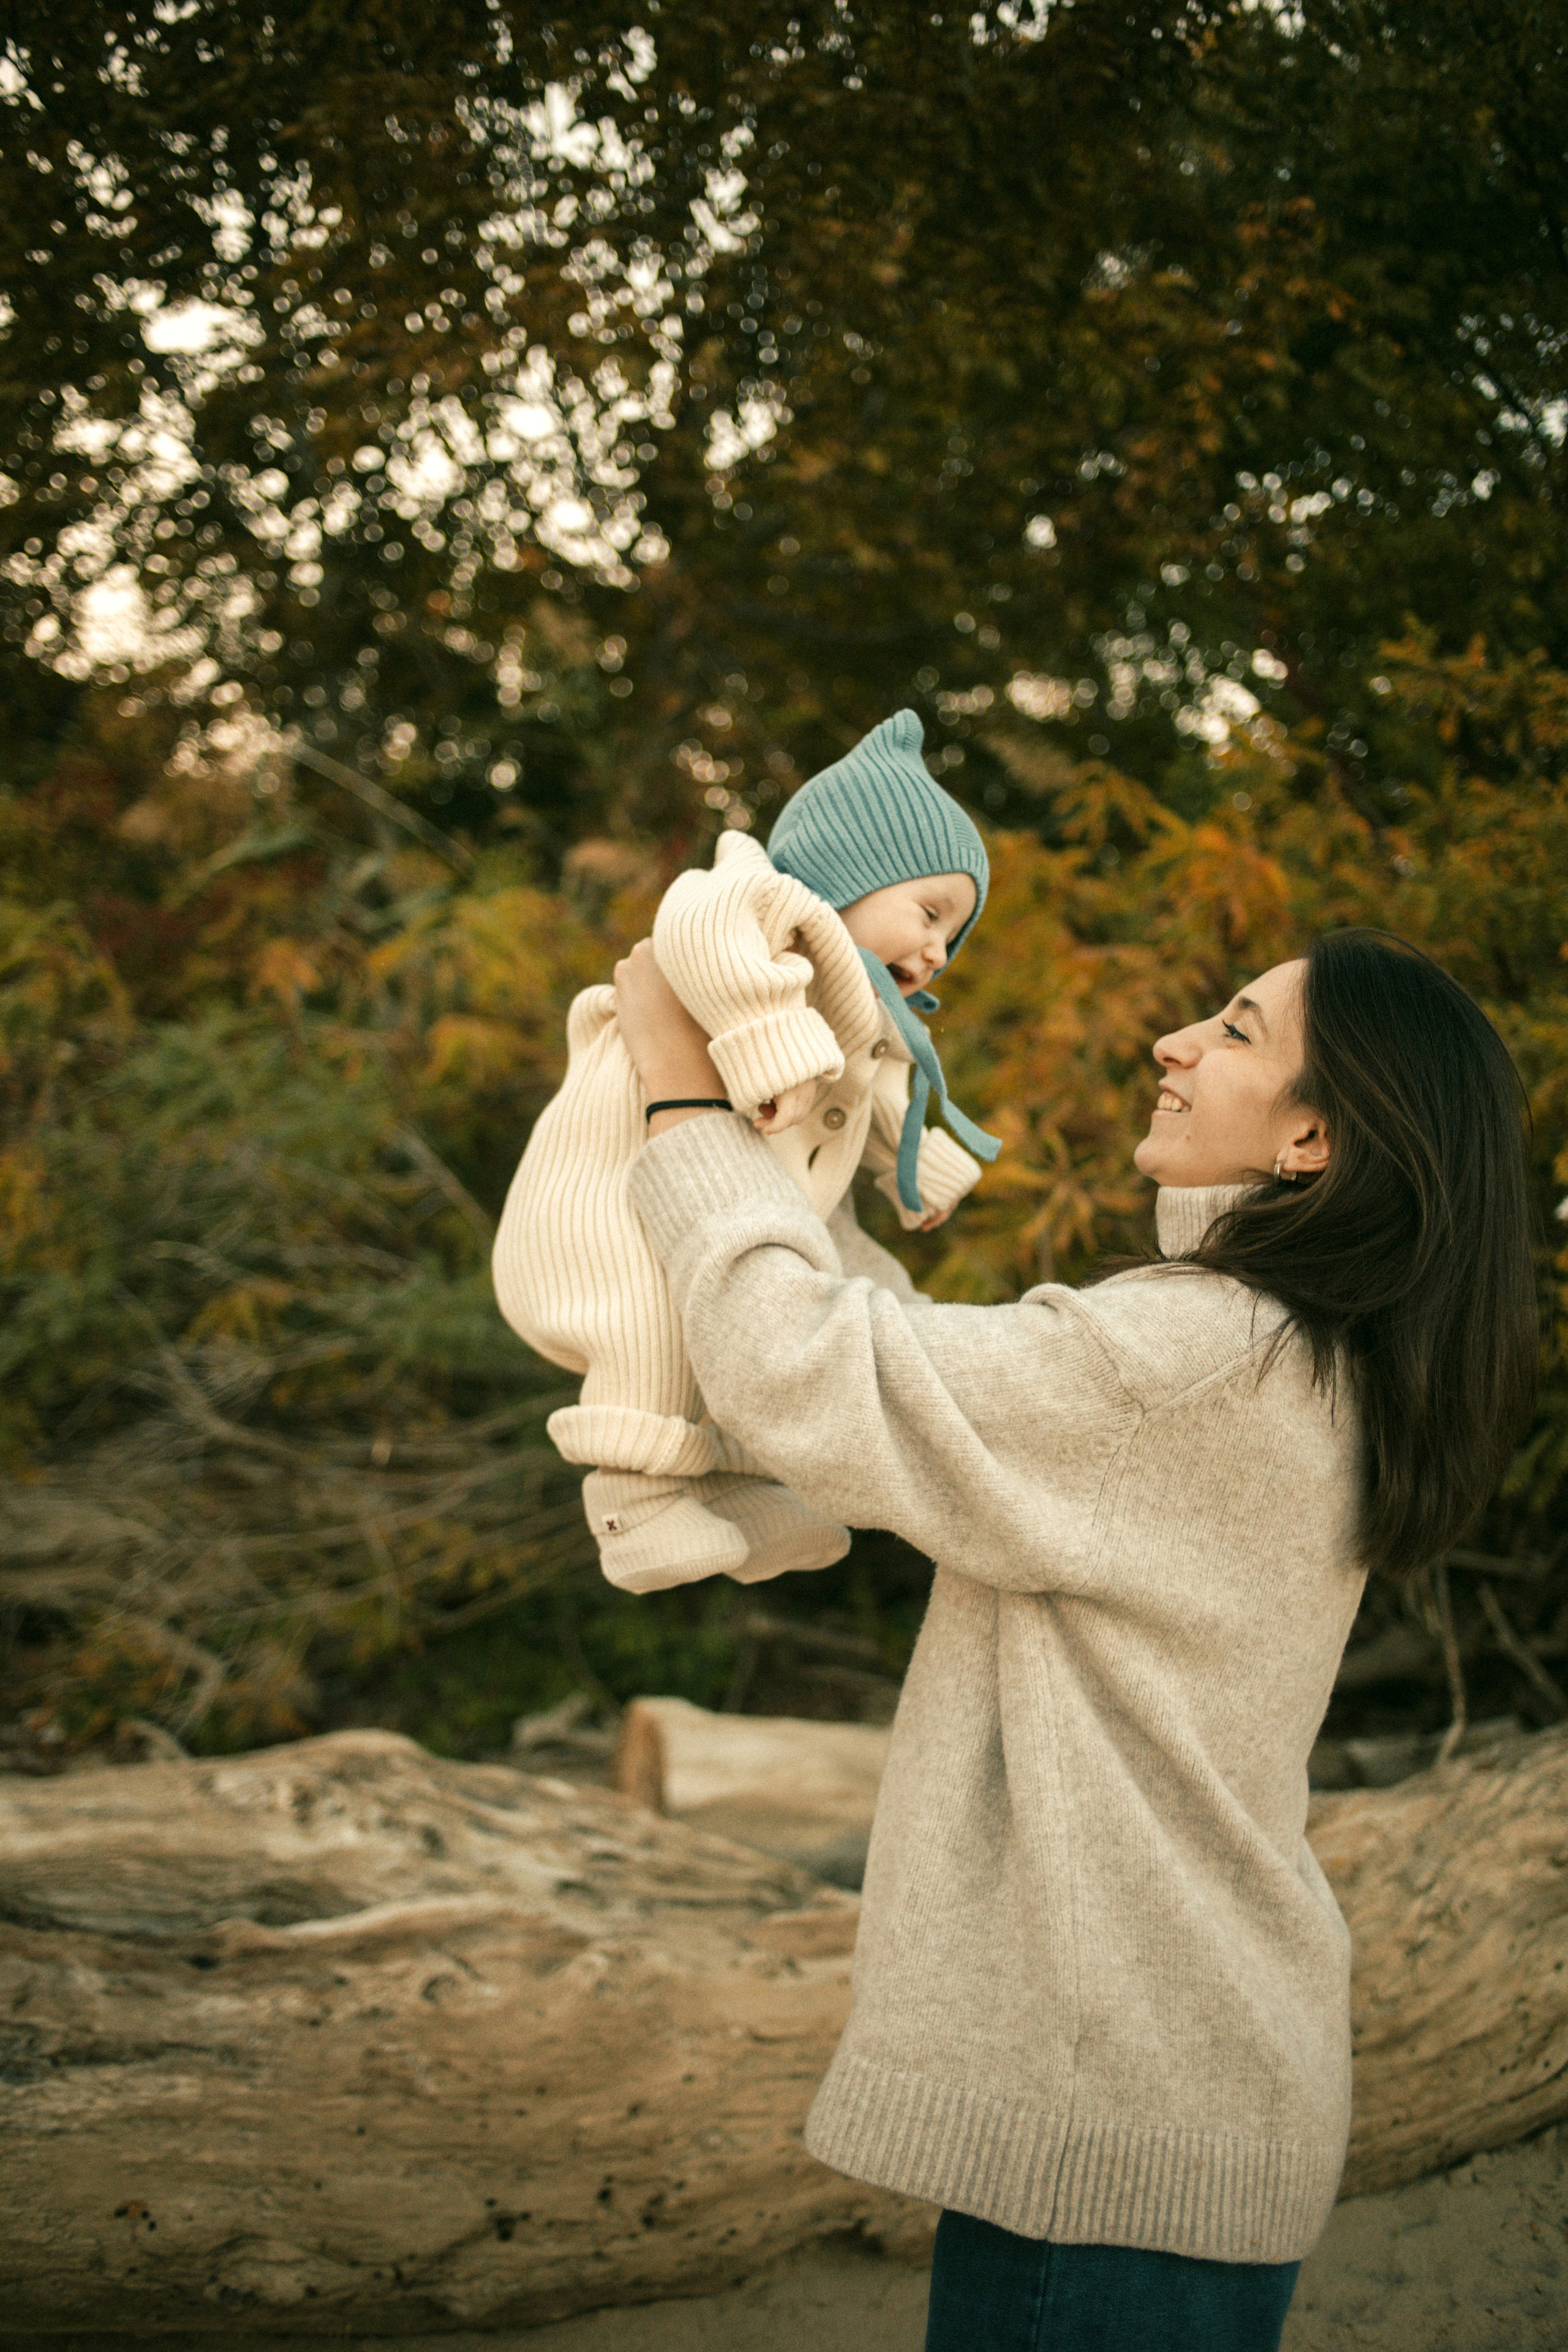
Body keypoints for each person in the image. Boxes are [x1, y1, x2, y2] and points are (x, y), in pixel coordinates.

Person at [608, 925, 1538, 2352]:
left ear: (1311, 1135)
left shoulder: (1204, 1353)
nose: (1172, 1044)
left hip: (1111, 2113)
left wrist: (677, 1100)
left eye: (1231, 1030)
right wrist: (809, 1160)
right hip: (1154, 2083)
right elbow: (922, 1403)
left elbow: (812, 1373)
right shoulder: (1269, 1348)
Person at [491, 709, 998, 1594]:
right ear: (852, 867)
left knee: (762, 1322)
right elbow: (697, 935)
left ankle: (736, 1492)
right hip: (609, 1199)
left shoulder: (861, 1009)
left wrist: (916, 1168)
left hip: (702, 1202)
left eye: (952, 937)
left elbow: (879, 1095)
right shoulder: (756, 899)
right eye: (930, 912)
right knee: (654, 1320)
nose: (937, 949)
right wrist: (770, 1039)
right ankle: (633, 1507)